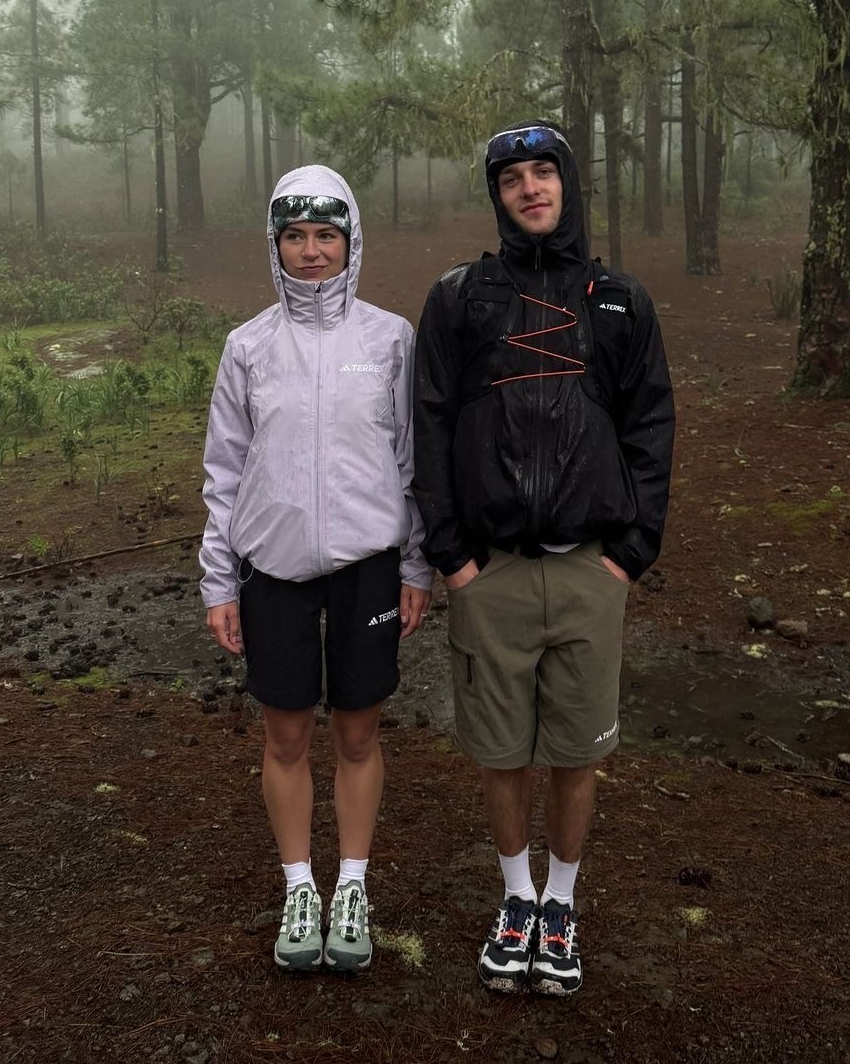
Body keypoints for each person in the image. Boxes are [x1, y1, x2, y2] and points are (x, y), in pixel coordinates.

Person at [413, 120, 674, 997]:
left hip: (588, 569)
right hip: (492, 572)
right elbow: (432, 425)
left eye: (544, 172)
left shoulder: (619, 301)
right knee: (500, 752)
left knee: (576, 751)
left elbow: (650, 428)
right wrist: (452, 559)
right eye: (512, 178)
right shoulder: (460, 299)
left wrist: (630, 556)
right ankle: (515, 897)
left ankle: (561, 903)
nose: (530, 188)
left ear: (568, 182)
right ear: (495, 195)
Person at [199, 164, 432, 976]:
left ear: (350, 241)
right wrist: (219, 581)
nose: (309, 251)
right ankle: (300, 885)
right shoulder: (249, 347)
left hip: (369, 565)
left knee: (359, 731)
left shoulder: (391, 339)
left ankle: (353, 886)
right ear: (275, 245)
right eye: (293, 237)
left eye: (325, 235)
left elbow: (412, 462)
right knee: (287, 732)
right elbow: (224, 472)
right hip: (274, 567)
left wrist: (416, 565)